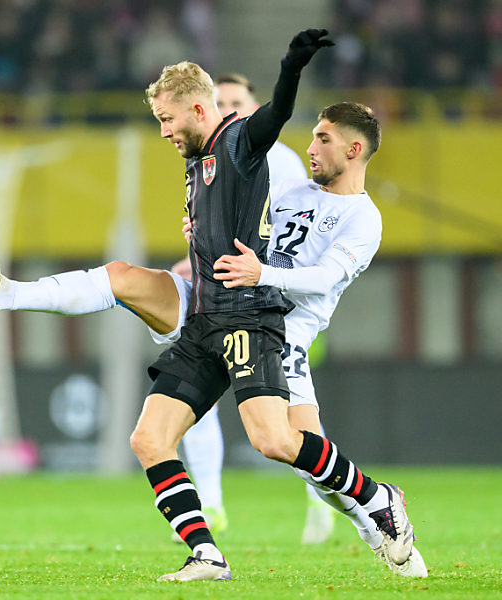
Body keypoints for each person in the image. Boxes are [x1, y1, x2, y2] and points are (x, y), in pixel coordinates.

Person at [0, 30, 420, 582]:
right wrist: (203, 235)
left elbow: (321, 274)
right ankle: (4, 293)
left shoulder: (360, 216)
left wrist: (258, 269)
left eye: (322, 138)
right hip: (214, 309)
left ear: (352, 149)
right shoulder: (278, 185)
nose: (310, 147)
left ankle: (377, 507)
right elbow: (242, 222)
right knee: (130, 309)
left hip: (273, 325)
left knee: (286, 446)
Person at [172, 71, 335, 546]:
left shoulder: (277, 158)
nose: (228, 107)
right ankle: (211, 503)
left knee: (288, 424)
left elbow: (286, 230)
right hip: (225, 296)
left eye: (236, 100)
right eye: (220, 100)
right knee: (196, 401)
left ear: (253, 103)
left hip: (271, 302)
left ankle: (328, 496)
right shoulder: (207, 153)